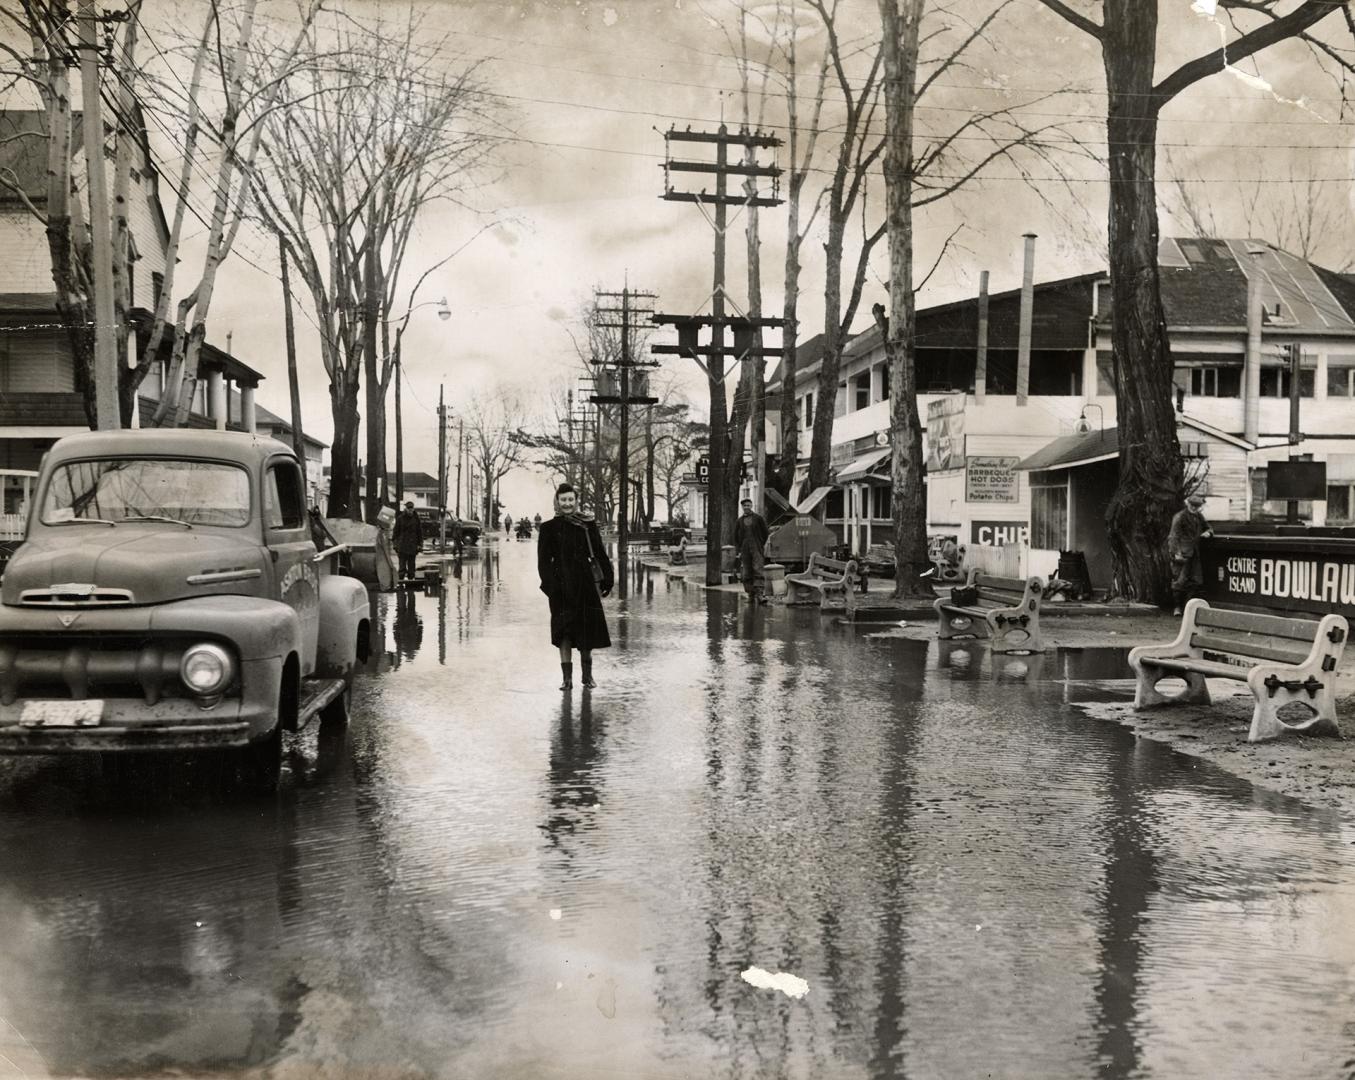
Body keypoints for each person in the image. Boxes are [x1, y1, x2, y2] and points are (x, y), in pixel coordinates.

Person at [538, 483, 613, 690]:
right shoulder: (548, 528)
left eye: (571, 499)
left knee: (586, 631)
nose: (567, 504)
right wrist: (550, 587)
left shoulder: (587, 524)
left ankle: (587, 677)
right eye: (563, 500)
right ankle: (567, 679)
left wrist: (608, 578)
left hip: (585, 586)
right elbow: (543, 562)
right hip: (561, 589)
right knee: (564, 633)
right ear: (557, 501)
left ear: (576, 501)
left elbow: (599, 553)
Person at [1168, 492, 1213, 616]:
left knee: (1196, 581)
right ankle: (1177, 607)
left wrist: (1208, 533)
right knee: (1179, 581)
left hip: (1195, 553)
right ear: (1188, 504)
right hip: (1182, 553)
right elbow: (1173, 536)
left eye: (1197, 505)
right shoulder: (1180, 517)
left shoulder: (1199, 517)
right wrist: (1176, 553)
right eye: (1192, 505)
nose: (1194, 507)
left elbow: (1208, 527)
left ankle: (1187, 609)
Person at [734, 497, 770, 604]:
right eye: (744, 506)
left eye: (748, 505)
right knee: (747, 571)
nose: (746, 507)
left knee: (758, 569)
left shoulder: (758, 518)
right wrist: (739, 549)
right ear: (742, 507)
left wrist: (760, 544)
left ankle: (759, 594)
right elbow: (735, 537)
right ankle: (750, 594)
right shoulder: (739, 521)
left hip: (756, 547)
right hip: (745, 549)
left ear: (751, 506)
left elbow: (765, 533)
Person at [392, 500, 422, 582]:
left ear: (413, 509)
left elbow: (419, 533)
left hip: (412, 546)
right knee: (402, 567)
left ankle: (411, 582)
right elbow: (395, 532)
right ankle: (401, 583)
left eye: (411, 508)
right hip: (402, 545)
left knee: (411, 566)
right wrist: (395, 544)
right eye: (409, 508)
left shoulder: (416, 519)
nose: (410, 510)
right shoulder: (400, 519)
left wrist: (420, 544)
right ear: (406, 509)